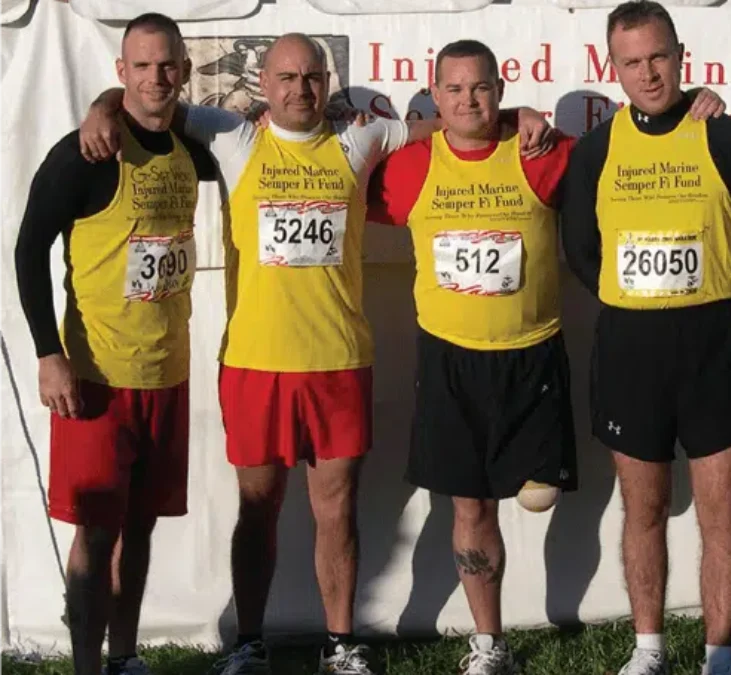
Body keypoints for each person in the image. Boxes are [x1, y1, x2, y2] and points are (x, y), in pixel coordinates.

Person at [79, 33, 554, 675]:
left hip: (338, 363)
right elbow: (150, 101)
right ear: (264, 84)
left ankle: (340, 644)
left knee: (337, 511)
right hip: (256, 364)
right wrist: (103, 107)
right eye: (287, 77)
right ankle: (249, 644)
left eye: (312, 77)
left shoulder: (363, 138)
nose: (300, 89)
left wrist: (519, 115)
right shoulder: (233, 137)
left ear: (327, 84)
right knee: (257, 510)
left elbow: (454, 121)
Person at [367, 37, 725, 675]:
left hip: (531, 357)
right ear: (435, 96)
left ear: (500, 90)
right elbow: (344, 175)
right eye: (454, 90)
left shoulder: (540, 153)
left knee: (540, 498)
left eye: (481, 88)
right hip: (450, 362)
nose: (468, 100)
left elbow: (633, 151)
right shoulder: (412, 167)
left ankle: (571, 614)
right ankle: (489, 644)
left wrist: (700, 108)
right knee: (470, 507)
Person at [559, 2, 731, 674]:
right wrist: (638, 298)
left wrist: (707, 296)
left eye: (658, 57)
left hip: (712, 344)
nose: (648, 73)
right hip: (630, 349)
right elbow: (581, 251)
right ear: (613, 67)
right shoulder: (595, 151)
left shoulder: (730, 141)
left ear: (681, 55)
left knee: (723, 513)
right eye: (632, 62)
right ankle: (647, 650)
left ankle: (720, 657)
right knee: (643, 508)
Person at [13, 13, 217, 675]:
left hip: (167, 372)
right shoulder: (87, 152)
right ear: (122, 71)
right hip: (97, 377)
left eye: (168, 65)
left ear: (184, 69)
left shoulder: (193, 145)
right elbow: (27, 248)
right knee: (96, 531)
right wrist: (48, 353)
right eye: (143, 66)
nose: (157, 77)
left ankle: (124, 657)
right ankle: (86, 666)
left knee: (142, 525)